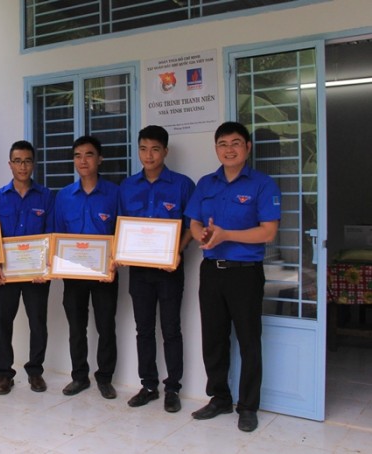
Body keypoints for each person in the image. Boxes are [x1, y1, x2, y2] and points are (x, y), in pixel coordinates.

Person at [185, 121, 281, 432]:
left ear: (247, 147)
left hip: (245, 274)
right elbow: (194, 222)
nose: (229, 149)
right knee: (213, 338)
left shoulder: (262, 184)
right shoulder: (206, 183)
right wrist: (202, 235)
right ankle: (220, 398)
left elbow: (268, 232)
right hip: (212, 271)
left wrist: (226, 234)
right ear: (216, 149)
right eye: (223, 144)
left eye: (236, 143)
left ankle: (248, 406)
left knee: (249, 340)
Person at [119, 125, 195, 413]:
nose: (148, 155)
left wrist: (177, 251)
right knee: (144, 329)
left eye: (154, 149)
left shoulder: (183, 185)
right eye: (143, 149)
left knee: (171, 329)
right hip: (139, 271)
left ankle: (173, 388)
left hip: (169, 270)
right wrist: (120, 252)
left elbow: (191, 225)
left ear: (165, 151)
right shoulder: (127, 186)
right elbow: (121, 226)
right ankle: (149, 385)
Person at [54, 136, 120, 400]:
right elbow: (57, 235)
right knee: (76, 327)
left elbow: (122, 232)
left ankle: (105, 378)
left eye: (89, 155)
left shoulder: (115, 193)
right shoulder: (63, 196)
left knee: (106, 326)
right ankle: (79, 376)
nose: (83, 160)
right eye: (77, 155)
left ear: (99, 159)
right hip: (73, 275)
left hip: (105, 274)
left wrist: (114, 260)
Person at [0, 140, 55, 395]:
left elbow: (52, 234)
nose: (22, 166)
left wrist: (45, 269)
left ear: (33, 164)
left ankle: (35, 371)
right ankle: (4, 374)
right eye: (17, 161)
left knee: (38, 322)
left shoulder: (46, 197)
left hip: (37, 274)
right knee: (2, 323)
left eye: (27, 161)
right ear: (10, 164)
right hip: (5, 273)